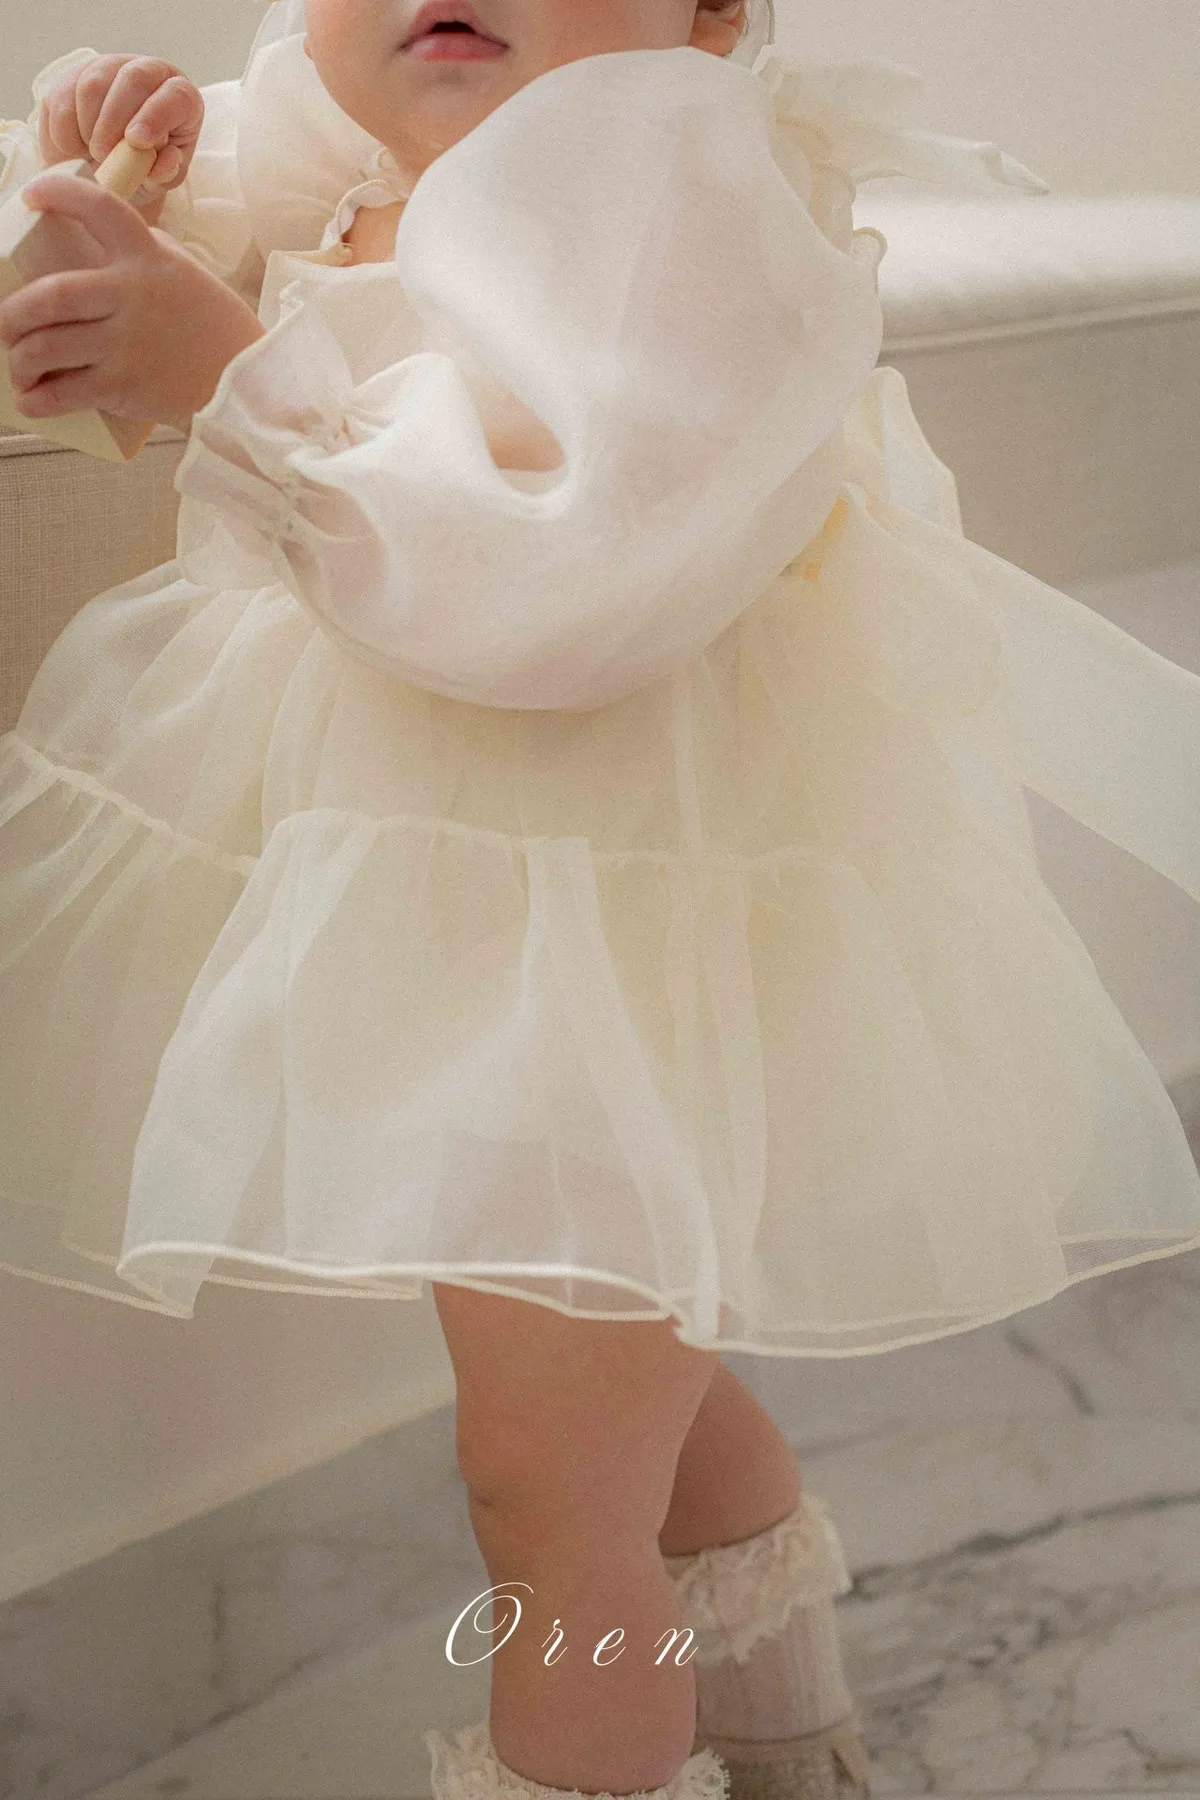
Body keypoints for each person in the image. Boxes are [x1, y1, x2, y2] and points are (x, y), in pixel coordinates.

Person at [2, 3, 1199, 1796]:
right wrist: (136, 192)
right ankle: (795, 1745)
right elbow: (244, 240)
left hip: (612, 912)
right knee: (638, 1407)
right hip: (469, 904)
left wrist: (226, 374)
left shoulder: (675, 186)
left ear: (705, 15)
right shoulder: (360, 148)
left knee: (550, 1506)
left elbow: (559, 586)